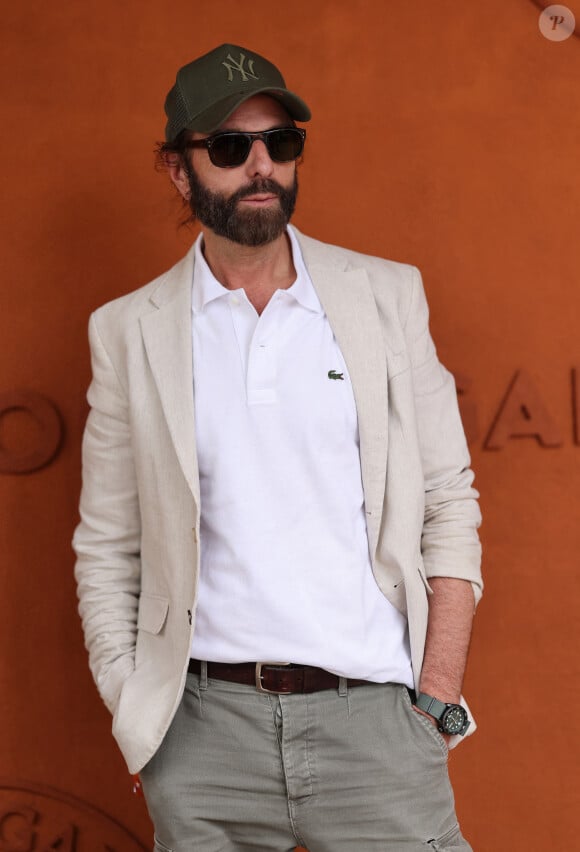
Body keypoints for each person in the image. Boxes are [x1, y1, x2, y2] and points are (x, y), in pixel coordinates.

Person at [73, 43, 482, 852]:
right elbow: (107, 546)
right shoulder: (129, 331)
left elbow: (448, 501)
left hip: (374, 724)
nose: (261, 166)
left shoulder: (386, 296)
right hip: (201, 740)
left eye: (280, 143)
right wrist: (137, 711)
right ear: (179, 172)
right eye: (230, 148)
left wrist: (436, 697)